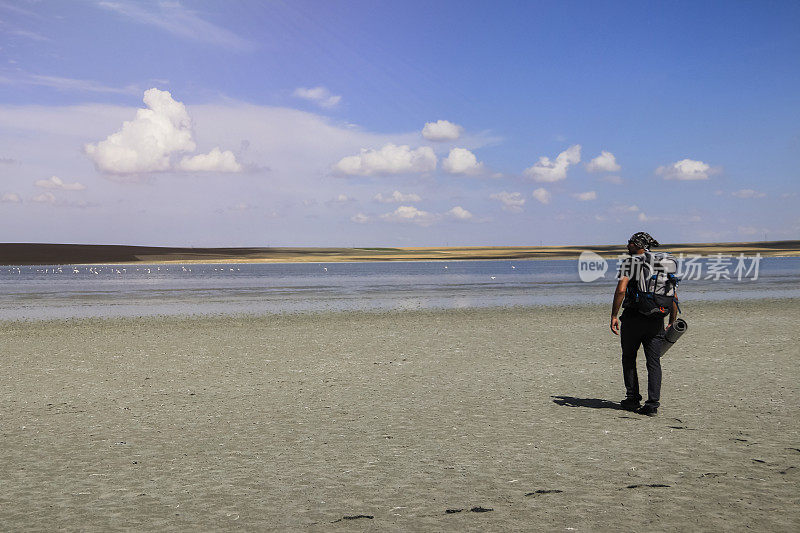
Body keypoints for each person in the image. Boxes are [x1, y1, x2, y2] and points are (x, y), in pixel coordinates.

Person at [609, 232, 677, 417]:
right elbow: (673, 295)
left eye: (630, 242)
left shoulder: (630, 263)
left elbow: (621, 290)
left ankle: (632, 399)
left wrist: (614, 314)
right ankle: (652, 405)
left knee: (629, 358)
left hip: (633, 318)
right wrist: (671, 320)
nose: (627, 244)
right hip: (657, 319)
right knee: (654, 362)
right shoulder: (663, 262)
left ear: (637, 244)